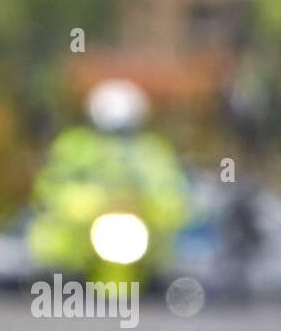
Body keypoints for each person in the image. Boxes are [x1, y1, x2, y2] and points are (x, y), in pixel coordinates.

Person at [29, 79, 189, 280]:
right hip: (77, 245)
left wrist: (156, 207)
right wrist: (83, 203)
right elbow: (52, 188)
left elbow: (171, 190)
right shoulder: (75, 146)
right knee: (52, 250)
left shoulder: (152, 151)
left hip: (142, 239)